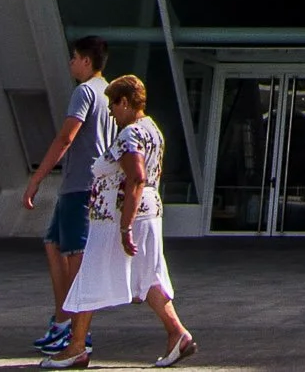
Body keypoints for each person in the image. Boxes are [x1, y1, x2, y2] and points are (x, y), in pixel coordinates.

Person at [43, 74, 195, 369]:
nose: (111, 112)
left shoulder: (130, 134)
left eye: (113, 105)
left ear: (125, 102)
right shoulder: (153, 129)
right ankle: (178, 334)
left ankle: (76, 348)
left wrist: (125, 226)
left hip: (118, 219)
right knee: (149, 277)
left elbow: (136, 177)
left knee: (89, 276)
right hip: (148, 214)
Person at [21, 38, 112, 361]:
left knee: (75, 256)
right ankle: (63, 320)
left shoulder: (85, 92)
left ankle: (78, 334)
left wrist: (36, 178)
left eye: (74, 58)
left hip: (81, 186)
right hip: (82, 186)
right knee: (53, 244)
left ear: (87, 61)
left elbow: (66, 136)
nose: (71, 63)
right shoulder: (109, 94)